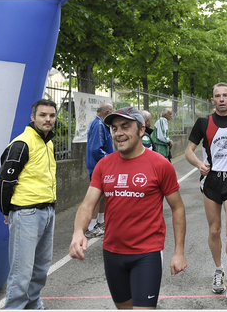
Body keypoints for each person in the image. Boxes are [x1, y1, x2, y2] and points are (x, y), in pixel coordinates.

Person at [69, 106, 187, 310]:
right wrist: (78, 232)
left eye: (125, 126)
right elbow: (88, 204)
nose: (118, 133)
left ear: (141, 130)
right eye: (114, 128)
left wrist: (179, 251)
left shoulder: (160, 165)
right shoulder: (104, 165)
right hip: (112, 253)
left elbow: (177, 208)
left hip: (146, 254)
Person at [185, 82, 227, 302]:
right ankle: (218, 270)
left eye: (226, 95)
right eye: (218, 96)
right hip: (211, 180)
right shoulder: (203, 122)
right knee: (214, 231)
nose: (222, 99)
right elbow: (188, 151)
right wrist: (198, 164)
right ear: (212, 100)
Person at [0, 99, 57, 310]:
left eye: (51, 115)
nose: (48, 119)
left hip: (47, 211)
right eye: (43, 115)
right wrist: (6, 211)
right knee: (22, 272)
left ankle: (33, 306)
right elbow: (3, 182)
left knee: (40, 270)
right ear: (33, 118)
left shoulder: (48, 142)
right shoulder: (22, 144)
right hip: (26, 214)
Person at [85, 102, 114, 238]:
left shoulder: (101, 124)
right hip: (98, 165)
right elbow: (96, 149)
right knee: (97, 196)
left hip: (101, 164)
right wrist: (112, 158)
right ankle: (91, 226)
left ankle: (100, 222)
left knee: (103, 194)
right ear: (107, 112)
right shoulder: (99, 125)